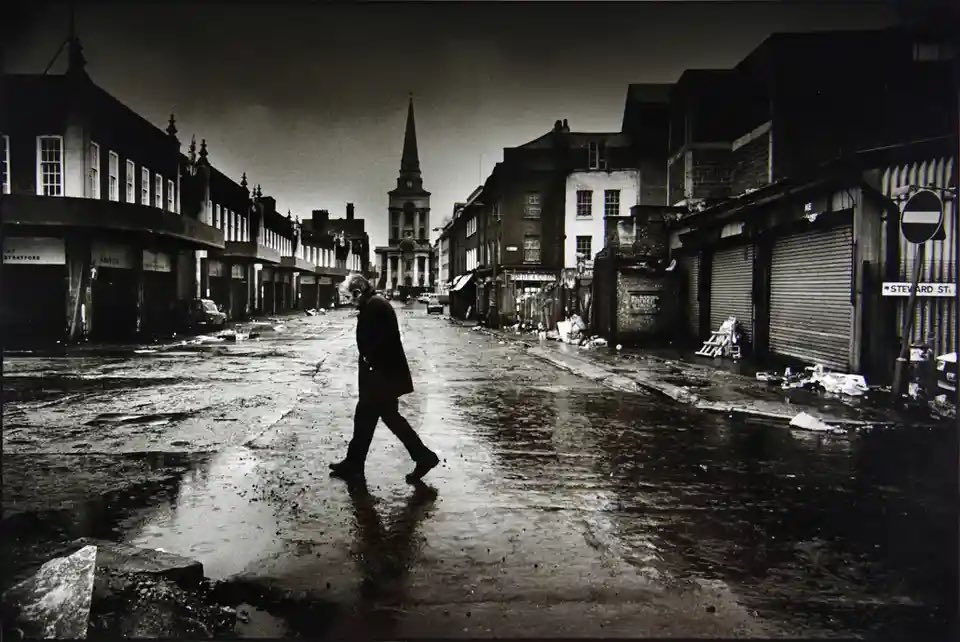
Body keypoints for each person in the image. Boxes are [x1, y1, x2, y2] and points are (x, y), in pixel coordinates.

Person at [329, 274, 440, 483]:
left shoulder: (375, 306)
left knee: (383, 418)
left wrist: (371, 367)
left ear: (358, 292)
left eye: (349, 297)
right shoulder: (372, 304)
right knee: (369, 418)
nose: (348, 302)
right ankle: (354, 463)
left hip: (381, 378)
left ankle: (424, 456)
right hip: (380, 377)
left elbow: (379, 344)